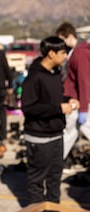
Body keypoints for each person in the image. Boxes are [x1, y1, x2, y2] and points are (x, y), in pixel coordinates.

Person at [21, 36, 76, 204]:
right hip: (39, 138)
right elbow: (29, 108)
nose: (65, 56)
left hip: (56, 135)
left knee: (54, 180)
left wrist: (68, 100)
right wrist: (59, 109)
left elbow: (53, 98)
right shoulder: (34, 77)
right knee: (37, 182)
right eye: (62, 53)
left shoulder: (56, 74)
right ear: (51, 54)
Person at [56, 22, 90, 160]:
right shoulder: (75, 52)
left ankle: (53, 164)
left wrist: (83, 108)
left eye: (62, 40)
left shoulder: (80, 53)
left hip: (80, 101)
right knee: (70, 133)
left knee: (71, 133)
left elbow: (84, 80)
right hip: (78, 100)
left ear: (69, 36)